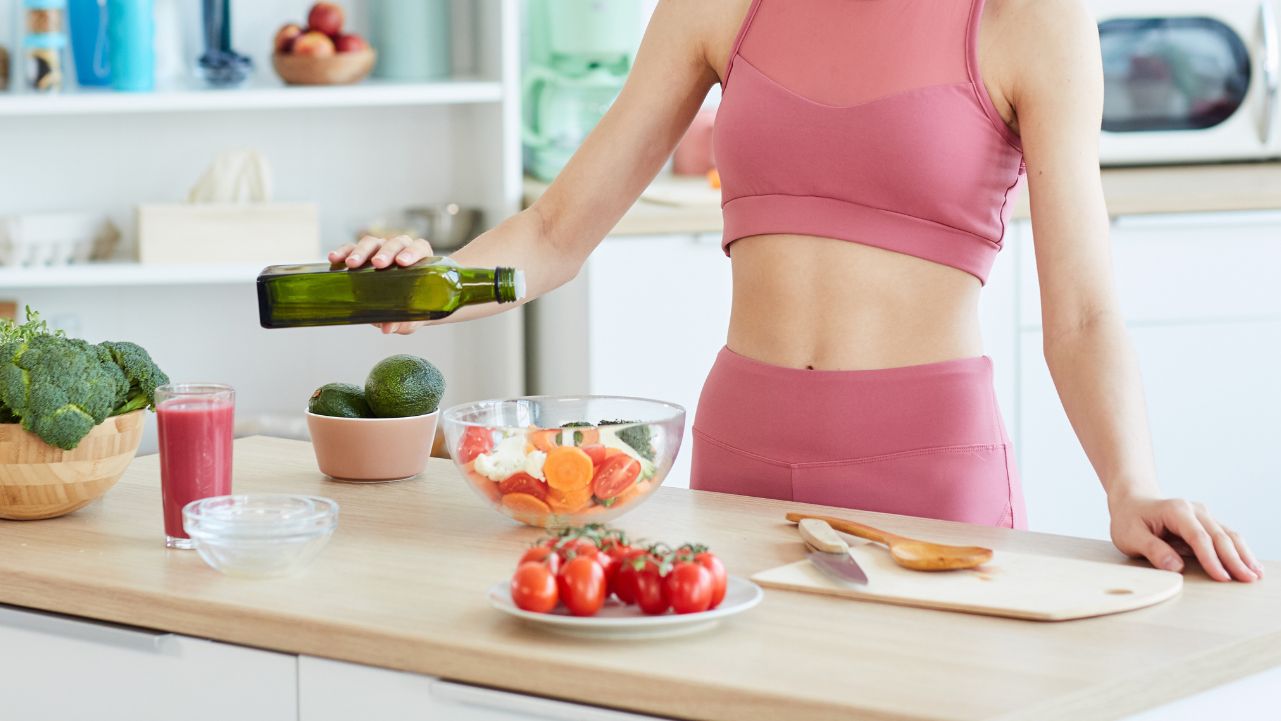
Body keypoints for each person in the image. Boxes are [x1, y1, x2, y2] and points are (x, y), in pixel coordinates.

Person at [330, 0, 1261, 582]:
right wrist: (429, 287)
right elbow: (552, 232)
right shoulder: (720, 4)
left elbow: (1084, 313)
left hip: (925, 474)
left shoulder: (1027, 18)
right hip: (740, 458)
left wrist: (1128, 483)